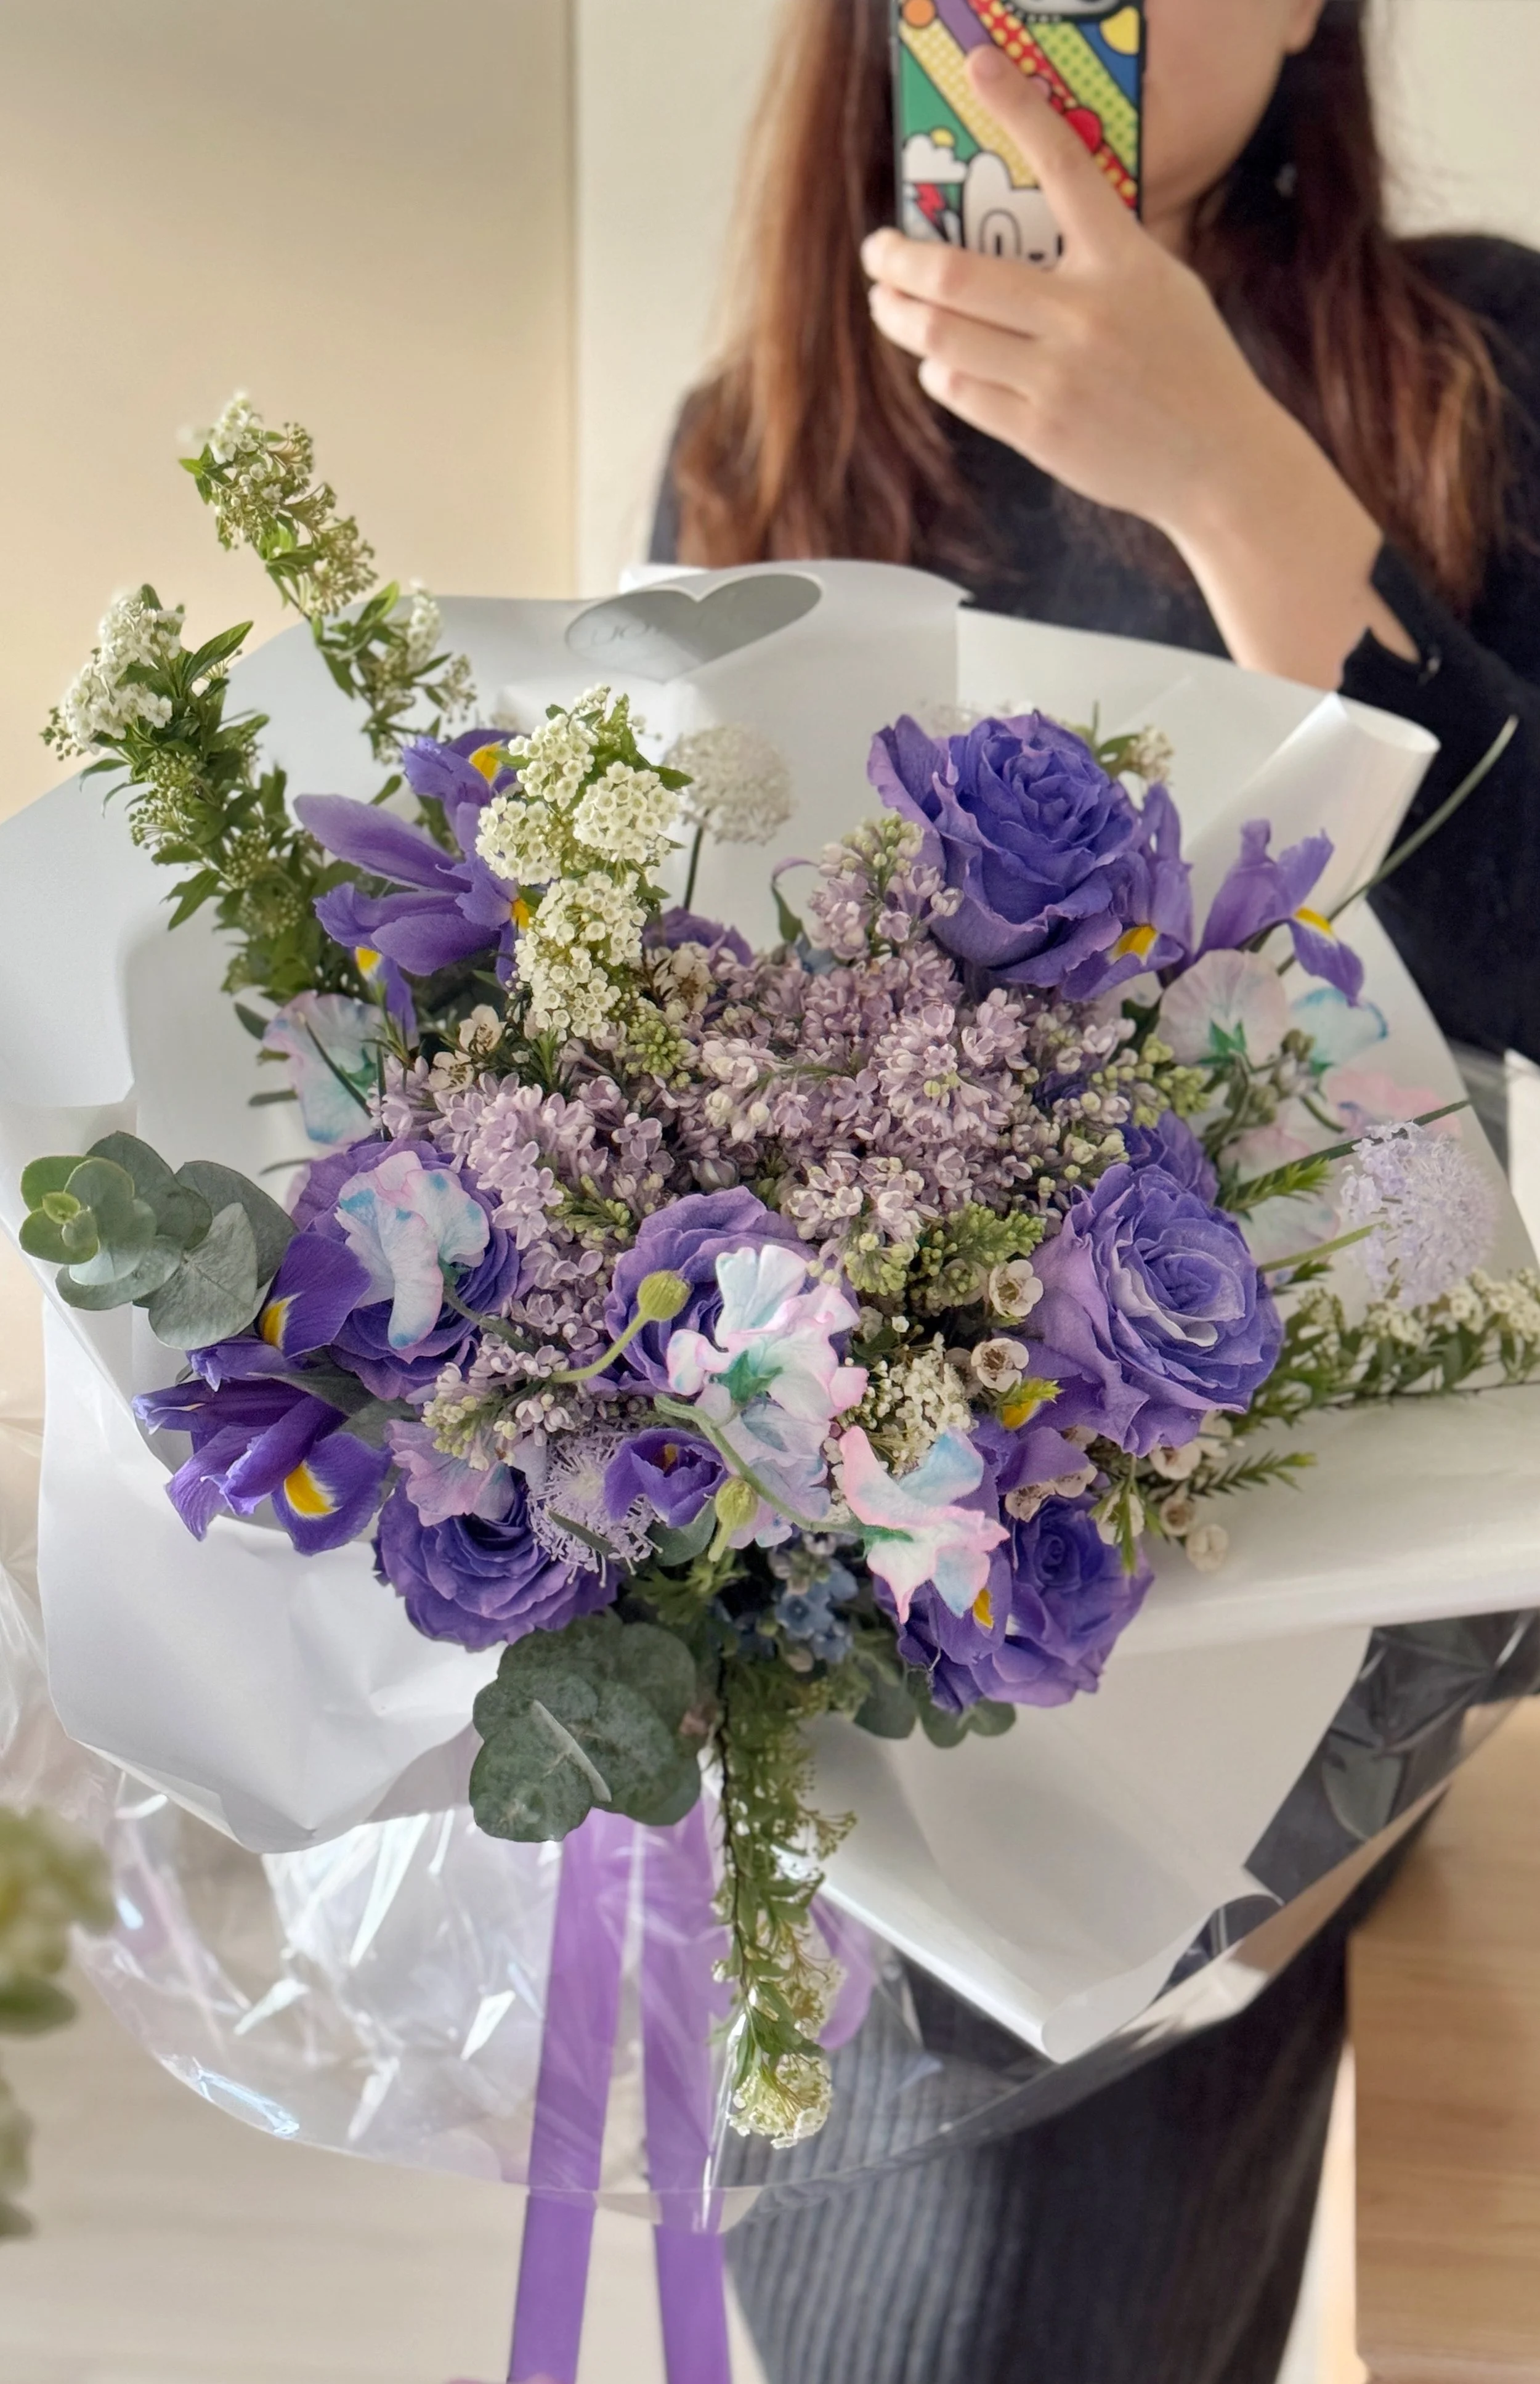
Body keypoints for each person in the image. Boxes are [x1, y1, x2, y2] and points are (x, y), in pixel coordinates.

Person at [646, 4, 1540, 2380]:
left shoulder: (1476, 361)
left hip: (1288, 1562)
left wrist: (1238, 484)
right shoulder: (759, 445)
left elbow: (1520, 951)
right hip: (839, 1562)